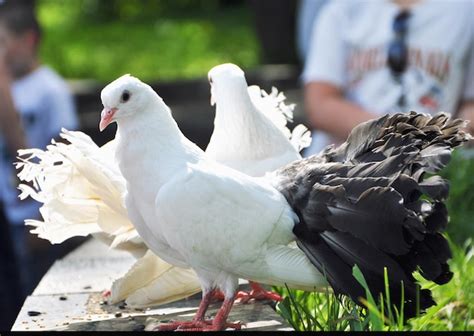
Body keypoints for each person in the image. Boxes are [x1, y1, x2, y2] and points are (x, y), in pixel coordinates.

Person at [301, 0, 474, 156]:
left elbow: (469, 103)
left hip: (428, 171)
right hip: (340, 169)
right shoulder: (341, 10)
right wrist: (402, 136)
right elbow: (320, 106)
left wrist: (458, 132)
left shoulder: (465, 12)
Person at [0, 2, 79, 329]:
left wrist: (45, 215)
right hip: (8, 214)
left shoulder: (51, 90)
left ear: (28, 40)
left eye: (3, 41)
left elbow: (65, 158)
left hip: (34, 219)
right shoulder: (10, 88)